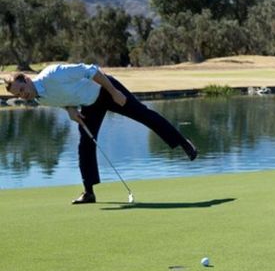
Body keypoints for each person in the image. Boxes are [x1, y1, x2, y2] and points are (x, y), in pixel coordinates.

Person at [3, 63, 197, 204]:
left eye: (22, 89)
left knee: (144, 115)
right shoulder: (40, 99)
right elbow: (63, 99)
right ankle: (89, 192)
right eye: (18, 95)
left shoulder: (53, 73)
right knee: (85, 144)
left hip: (106, 90)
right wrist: (69, 110)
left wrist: (114, 92)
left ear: (26, 79)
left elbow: (92, 70)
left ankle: (183, 142)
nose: (23, 95)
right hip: (89, 105)